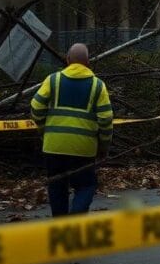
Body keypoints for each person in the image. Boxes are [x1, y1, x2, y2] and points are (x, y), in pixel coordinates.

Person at [30, 43, 113, 217]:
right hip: (84, 148)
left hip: (53, 146)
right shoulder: (98, 86)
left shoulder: (53, 80)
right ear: (88, 62)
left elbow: (36, 107)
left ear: (67, 60)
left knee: (57, 185)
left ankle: (61, 226)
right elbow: (105, 119)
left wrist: (44, 129)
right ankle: (76, 218)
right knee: (85, 185)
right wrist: (104, 146)